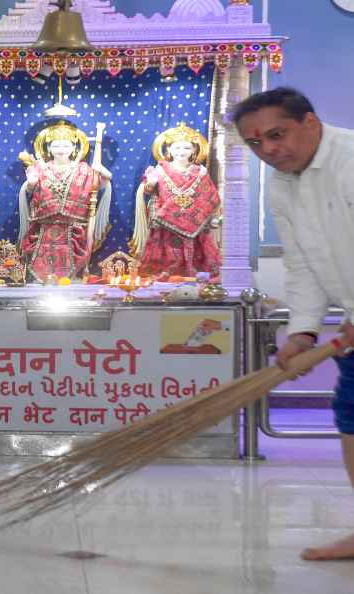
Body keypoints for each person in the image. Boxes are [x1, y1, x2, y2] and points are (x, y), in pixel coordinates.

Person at [233, 87, 354, 561]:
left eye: (277, 135)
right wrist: (302, 331)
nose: (269, 150)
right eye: (256, 144)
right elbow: (303, 264)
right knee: (352, 423)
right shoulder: (282, 185)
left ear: (311, 122)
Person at [17, 121, 112, 281]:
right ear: (48, 148)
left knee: (71, 273)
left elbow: (101, 182)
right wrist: (31, 183)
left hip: (74, 228)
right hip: (44, 227)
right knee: (41, 268)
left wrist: (102, 170)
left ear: (74, 148)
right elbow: (29, 190)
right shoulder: (40, 167)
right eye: (56, 146)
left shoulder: (84, 169)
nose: (61, 150)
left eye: (66, 146)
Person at [130, 123, 222, 279]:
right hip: (167, 223)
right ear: (170, 150)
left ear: (193, 151)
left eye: (186, 148)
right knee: (167, 254)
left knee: (198, 255)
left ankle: (195, 275)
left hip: (195, 223)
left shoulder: (200, 172)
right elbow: (148, 191)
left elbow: (210, 196)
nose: (182, 152)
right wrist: (150, 183)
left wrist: (211, 217)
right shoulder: (159, 170)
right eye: (177, 148)